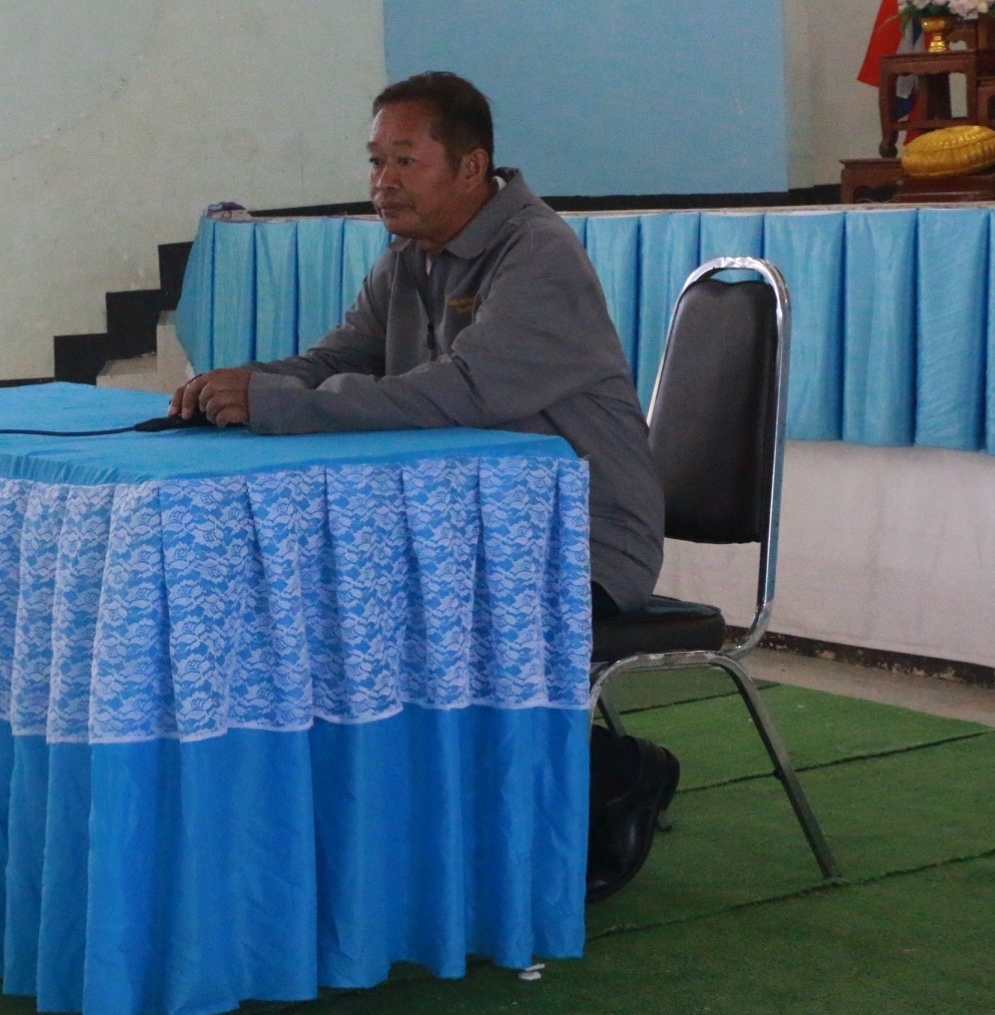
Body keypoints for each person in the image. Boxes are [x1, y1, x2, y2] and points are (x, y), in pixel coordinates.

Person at [171, 70, 676, 902]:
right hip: (465, 535)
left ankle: (613, 771)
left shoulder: (538, 254)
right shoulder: (410, 257)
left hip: (580, 538)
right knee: (331, 598)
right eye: (376, 162)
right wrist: (239, 385)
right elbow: (336, 360)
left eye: (405, 160)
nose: (383, 182)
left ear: (472, 167)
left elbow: (461, 393)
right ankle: (385, 830)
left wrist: (279, 406)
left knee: (407, 617)